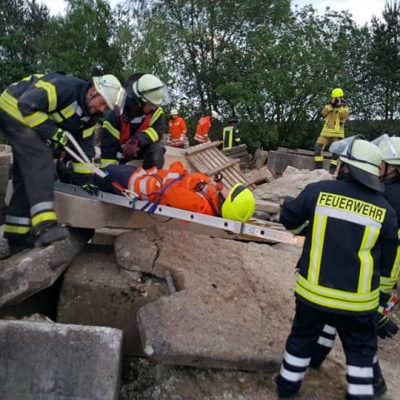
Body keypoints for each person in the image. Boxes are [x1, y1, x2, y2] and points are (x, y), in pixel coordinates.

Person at [276, 136, 399, 400]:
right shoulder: (385, 211)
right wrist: (382, 298)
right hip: (358, 304)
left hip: (313, 294)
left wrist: (306, 228)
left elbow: (289, 219)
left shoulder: (318, 191)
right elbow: (389, 264)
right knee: (361, 353)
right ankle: (361, 394)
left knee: (301, 339)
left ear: (347, 168)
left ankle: (286, 389)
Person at [0, 71, 124, 254]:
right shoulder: (65, 87)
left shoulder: (89, 119)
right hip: (13, 108)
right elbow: (27, 104)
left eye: (106, 108)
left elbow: (83, 152)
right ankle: (45, 226)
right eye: (102, 103)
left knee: (25, 178)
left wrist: (85, 181)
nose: (101, 109)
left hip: (29, 121)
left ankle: (16, 238)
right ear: (93, 91)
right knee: (41, 159)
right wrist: (53, 133)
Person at [95, 161, 255, 222]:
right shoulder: (210, 197)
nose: (225, 188)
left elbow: (169, 191)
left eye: (229, 192)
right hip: (143, 175)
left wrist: (177, 168)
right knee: (99, 170)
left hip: (134, 184)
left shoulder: (197, 205)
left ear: (226, 204)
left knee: (95, 175)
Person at [100, 73, 168, 170]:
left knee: (157, 149)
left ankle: (152, 181)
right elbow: (109, 150)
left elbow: (157, 131)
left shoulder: (155, 111)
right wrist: (109, 173)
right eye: (152, 104)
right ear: (140, 101)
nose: (155, 107)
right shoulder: (115, 115)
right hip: (119, 155)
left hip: (140, 150)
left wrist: (138, 139)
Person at [314, 88, 349, 174]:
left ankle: (332, 170)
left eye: (336, 98)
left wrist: (339, 106)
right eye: (334, 98)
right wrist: (331, 105)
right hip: (326, 131)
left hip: (337, 133)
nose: (335, 99)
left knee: (335, 153)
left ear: (341, 97)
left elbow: (342, 116)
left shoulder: (345, 107)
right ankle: (318, 169)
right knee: (318, 148)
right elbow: (323, 113)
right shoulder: (329, 105)